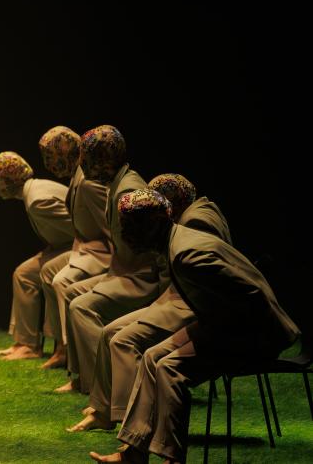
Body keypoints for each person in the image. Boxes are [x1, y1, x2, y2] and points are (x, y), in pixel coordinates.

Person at [88, 189, 299, 463]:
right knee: (152, 356)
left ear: (154, 223)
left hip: (256, 335)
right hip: (225, 326)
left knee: (170, 368)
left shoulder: (187, 255)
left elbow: (251, 298)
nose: (125, 234)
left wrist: (212, 336)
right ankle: (133, 452)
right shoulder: (178, 242)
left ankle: (172, 458)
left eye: (131, 225)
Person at [69, 174, 231, 432]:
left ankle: (129, 418)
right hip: (176, 297)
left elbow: (207, 285)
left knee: (123, 340)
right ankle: (104, 410)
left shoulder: (196, 222)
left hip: (188, 304)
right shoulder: (193, 213)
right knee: (109, 332)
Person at [59, 125, 158, 394]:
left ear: (101, 159)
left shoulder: (128, 192)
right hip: (124, 271)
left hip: (141, 278)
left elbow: (150, 248)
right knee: (71, 293)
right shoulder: (115, 184)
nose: (81, 164)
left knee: (81, 306)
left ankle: (104, 384)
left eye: (86, 157)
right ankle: (81, 378)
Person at [37, 126, 113, 370]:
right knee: (48, 270)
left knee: (62, 281)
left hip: (100, 252)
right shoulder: (77, 176)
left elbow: (110, 226)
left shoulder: (88, 181)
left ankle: (74, 357)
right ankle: (61, 346)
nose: (49, 163)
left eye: (52, 156)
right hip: (83, 247)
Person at [0, 151, 74, 360]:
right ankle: (26, 343)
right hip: (66, 246)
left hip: (85, 248)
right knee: (24, 273)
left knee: (46, 271)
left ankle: (59, 346)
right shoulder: (34, 192)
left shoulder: (38, 200)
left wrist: (57, 252)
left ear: (8, 179)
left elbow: (81, 229)